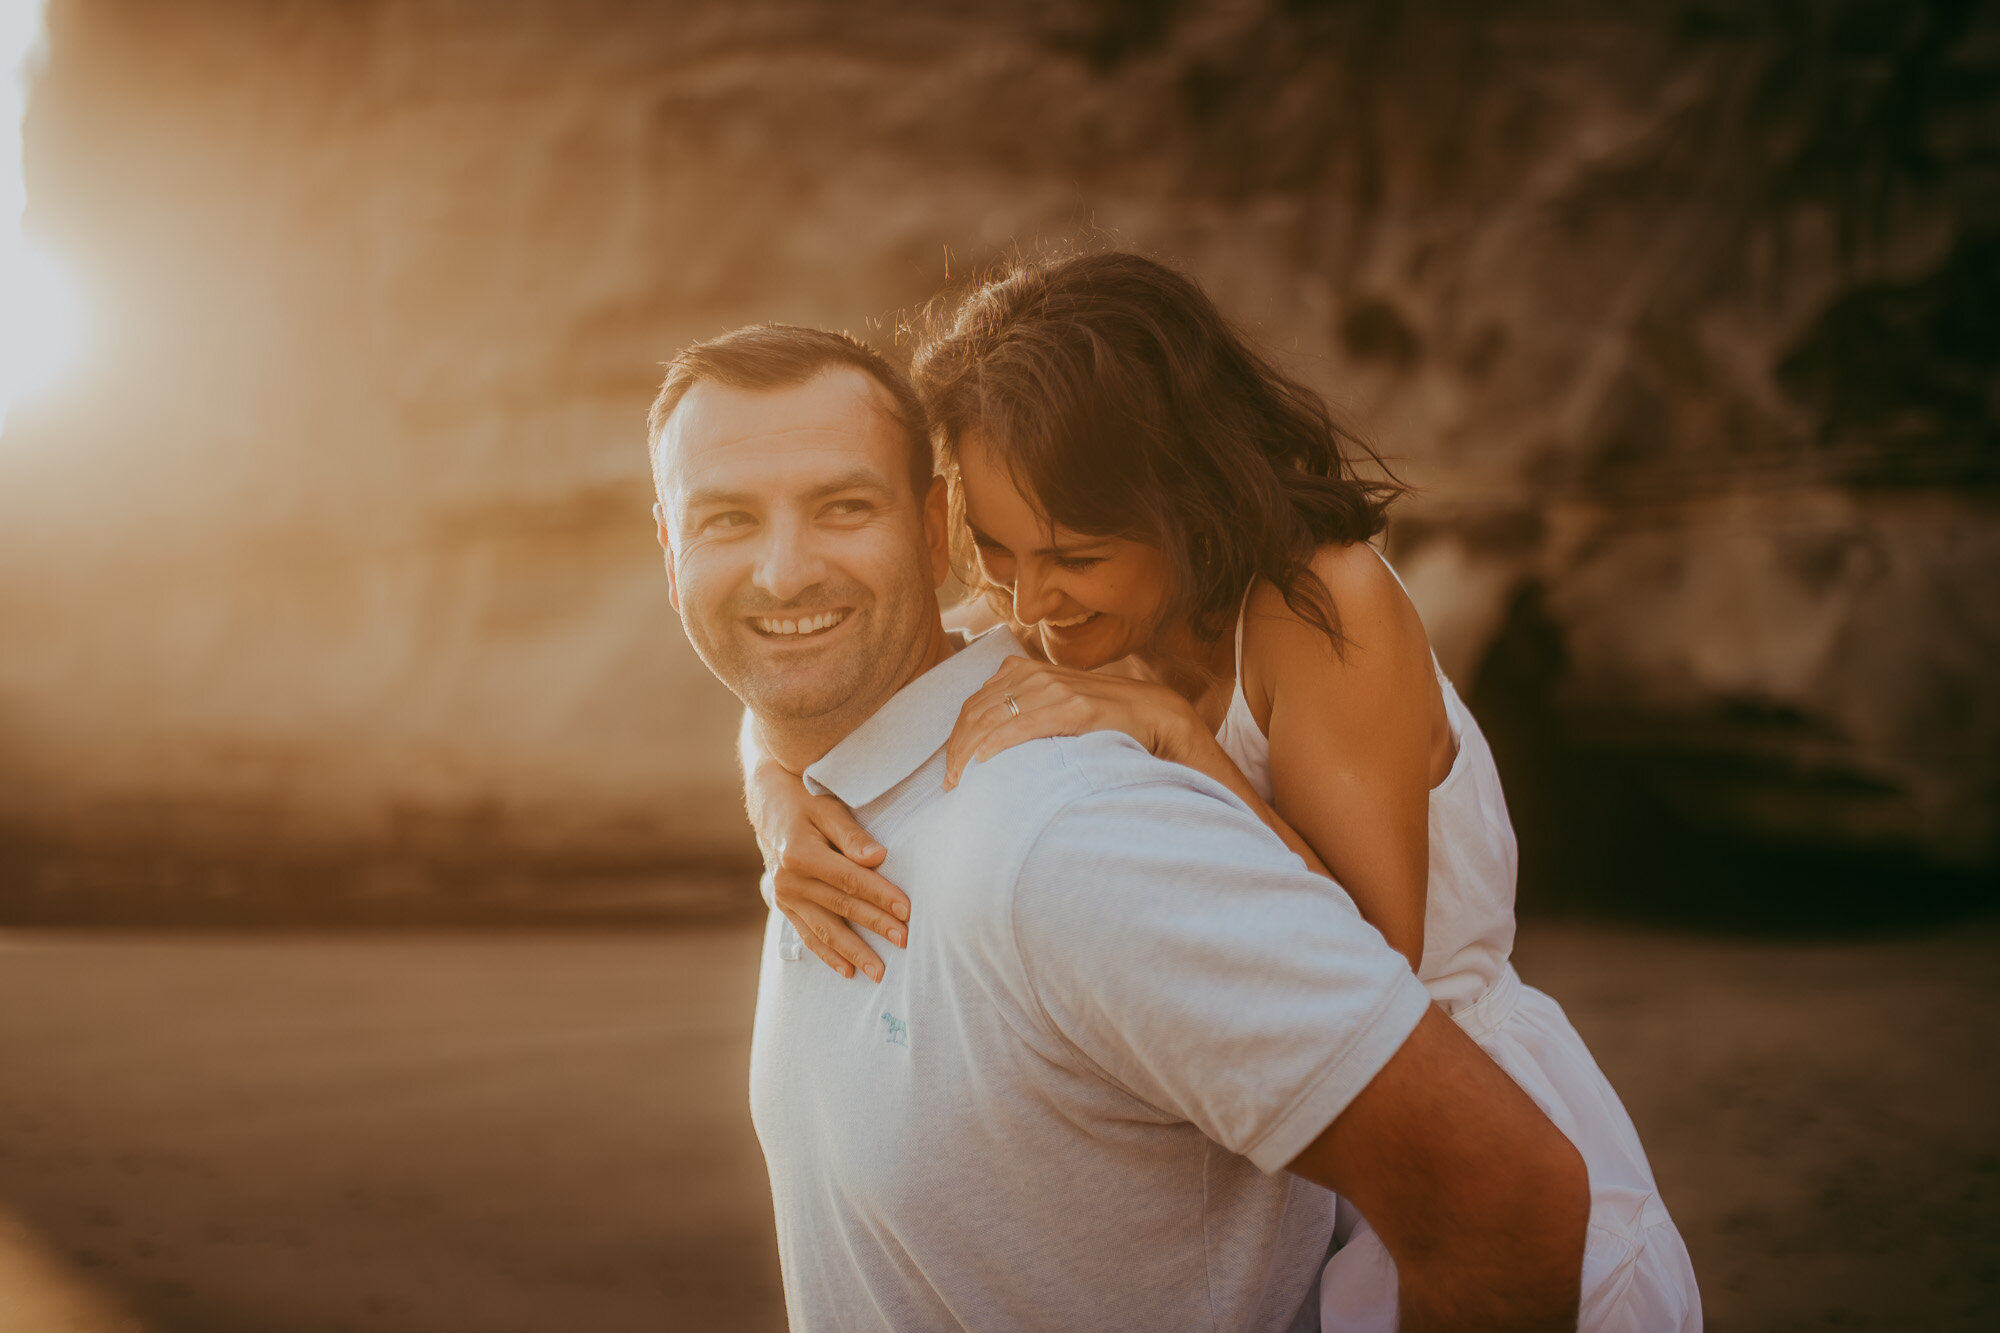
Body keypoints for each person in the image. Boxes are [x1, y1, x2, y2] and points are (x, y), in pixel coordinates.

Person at [745, 253, 1701, 1332]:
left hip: (1452, 1122)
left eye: (1073, 555)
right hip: (1299, 1151)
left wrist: (1173, 737)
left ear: (1184, 502)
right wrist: (777, 803)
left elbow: (1368, 954)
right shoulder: (1066, 608)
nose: (1026, 600)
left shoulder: (1319, 606)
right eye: (995, 553)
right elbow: (818, 692)